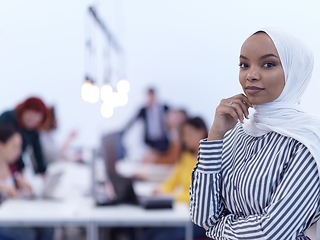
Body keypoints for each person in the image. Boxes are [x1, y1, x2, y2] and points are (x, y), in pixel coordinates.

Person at [190, 28, 320, 239]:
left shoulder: (308, 140)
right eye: (244, 65)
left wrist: (216, 230)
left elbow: (272, 233)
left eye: (268, 64)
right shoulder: (236, 133)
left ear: (294, 71)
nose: (251, 75)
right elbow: (202, 215)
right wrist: (215, 135)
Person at [139, 117, 207, 240]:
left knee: (159, 237)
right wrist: (160, 191)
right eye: (184, 135)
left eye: (189, 134)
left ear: (201, 131)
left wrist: (171, 196)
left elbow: (199, 196)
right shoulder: (186, 157)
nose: (186, 139)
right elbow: (171, 181)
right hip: (183, 212)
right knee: (147, 234)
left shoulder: (209, 160)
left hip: (201, 220)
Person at [0, 125, 54, 240]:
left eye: (20, 147)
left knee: (47, 228)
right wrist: (3, 188)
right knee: (27, 235)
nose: (19, 152)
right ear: (1, 146)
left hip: (12, 215)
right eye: (14, 147)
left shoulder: (13, 167)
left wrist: (20, 184)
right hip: (2, 219)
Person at [0, 97, 48, 191]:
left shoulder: (33, 129)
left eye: (36, 121)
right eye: (30, 118)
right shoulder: (8, 119)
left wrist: (43, 173)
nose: (32, 124)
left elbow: (37, 150)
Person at [123, 88, 170, 155]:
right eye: (148, 96)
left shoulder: (164, 108)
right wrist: (122, 131)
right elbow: (132, 122)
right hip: (150, 142)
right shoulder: (144, 110)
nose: (150, 98)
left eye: (152, 96)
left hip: (163, 140)